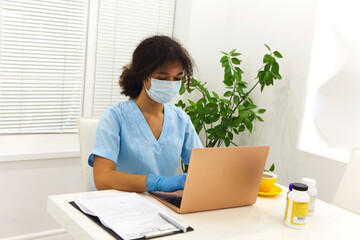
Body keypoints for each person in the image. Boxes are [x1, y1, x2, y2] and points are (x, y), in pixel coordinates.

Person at [88, 35, 203, 193]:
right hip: (119, 205)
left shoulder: (181, 120)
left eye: (177, 78)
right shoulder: (115, 117)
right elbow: (103, 179)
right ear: (143, 75)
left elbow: (204, 168)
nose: (170, 84)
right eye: (162, 78)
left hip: (160, 206)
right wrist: (157, 182)